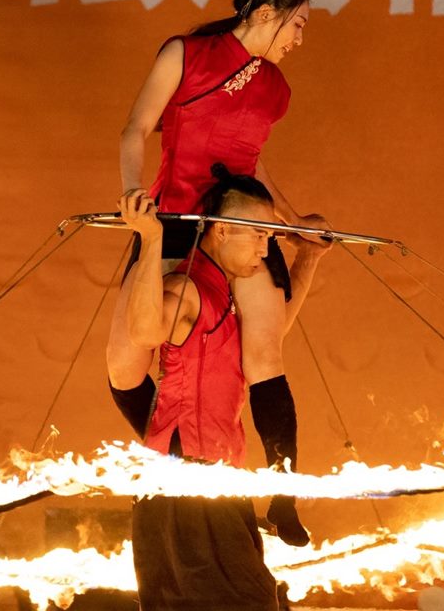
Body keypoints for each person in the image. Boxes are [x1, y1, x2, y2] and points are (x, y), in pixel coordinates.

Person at [107, 0, 322, 546]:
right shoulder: (186, 54)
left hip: (243, 224)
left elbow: (251, 161)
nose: (301, 38)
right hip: (174, 219)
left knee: (265, 359)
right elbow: (135, 128)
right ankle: (174, 461)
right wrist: (132, 194)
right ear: (266, 12)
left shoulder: (276, 88)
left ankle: (282, 497)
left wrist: (290, 221)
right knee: (124, 369)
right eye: (297, 24)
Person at [115, 170, 329, 611]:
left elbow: (276, 331)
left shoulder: (224, 294)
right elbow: (143, 330)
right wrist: (152, 239)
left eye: (270, 237)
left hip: (215, 484)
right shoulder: (188, 286)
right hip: (186, 489)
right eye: (258, 235)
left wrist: (308, 259)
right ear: (223, 229)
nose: (264, 249)